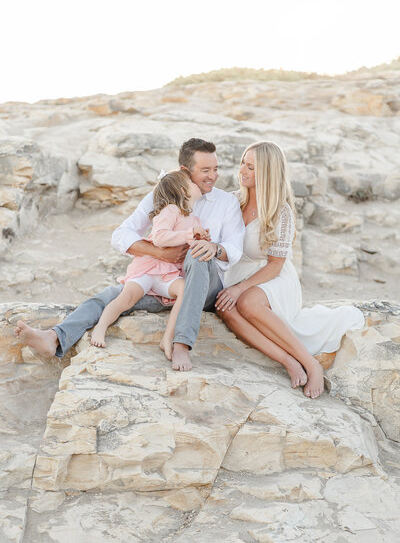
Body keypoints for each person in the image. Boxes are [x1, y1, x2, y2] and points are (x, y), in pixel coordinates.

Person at [15, 138, 245, 371]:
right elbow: (121, 235)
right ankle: (55, 337)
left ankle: (181, 343)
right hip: (164, 282)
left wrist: (214, 248)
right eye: (205, 170)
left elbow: (235, 249)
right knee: (111, 297)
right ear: (185, 170)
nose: (213, 176)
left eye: (215, 169)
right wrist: (159, 253)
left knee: (198, 253)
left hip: (203, 286)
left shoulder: (227, 203)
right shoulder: (165, 193)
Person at [215, 141, 364, 399]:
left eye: (251, 167)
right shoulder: (231, 201)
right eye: (243, 163)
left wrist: (239, 288)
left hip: (272, 278)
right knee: (225, 308)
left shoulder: (280, 212)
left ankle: (310, 363)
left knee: (248, 302)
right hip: (238, 272)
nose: (243, 170)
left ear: (267, 172)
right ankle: (288, 360)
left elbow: (276, 265)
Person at [90, 170, 209, 360]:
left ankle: (168, 337)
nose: (197, 185)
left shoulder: (193, 219)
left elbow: (185, 245)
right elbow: (161, 238)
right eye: (192, 183)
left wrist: (199, 238)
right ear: (183, 190)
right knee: (127, 297)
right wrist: (189, 234)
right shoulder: (170, 210)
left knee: (185, 291)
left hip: (168, 273)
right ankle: (101, 327)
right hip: (149, 267)